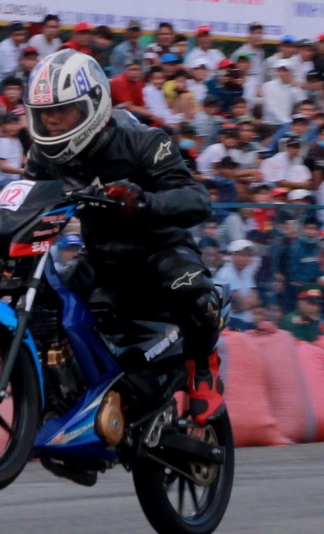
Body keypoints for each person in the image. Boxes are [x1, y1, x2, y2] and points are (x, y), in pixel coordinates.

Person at [21, 48, 222, 421]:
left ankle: (204, 368)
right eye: (44, 112)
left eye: (62, 110)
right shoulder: (42, 156)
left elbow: (198, 200)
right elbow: (26, 202)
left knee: (197, 298)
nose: (51, 120)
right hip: (100, 257)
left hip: (159, 249)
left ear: (93, 104)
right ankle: (62, 392)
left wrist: (143, 201)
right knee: (41, 304)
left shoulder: (144, 141)